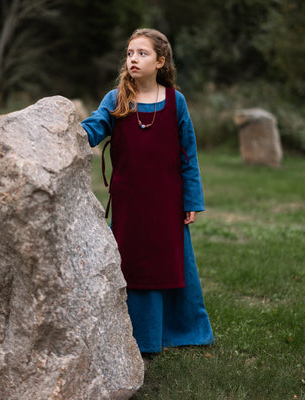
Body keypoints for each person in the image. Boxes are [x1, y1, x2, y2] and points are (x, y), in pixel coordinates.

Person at [81, 28, 214, 354]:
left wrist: (191, 200)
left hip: (167, 201)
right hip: (129, 201)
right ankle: (136, 334)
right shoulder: (116, 99)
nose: (133, 59)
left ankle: (183, 331)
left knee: (171, 262)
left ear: (160, 61)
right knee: (132, 264)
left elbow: (188, 154)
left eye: (142, 53)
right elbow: (95, 127)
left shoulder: (175, 102)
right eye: (130, 53)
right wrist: (70, 133)